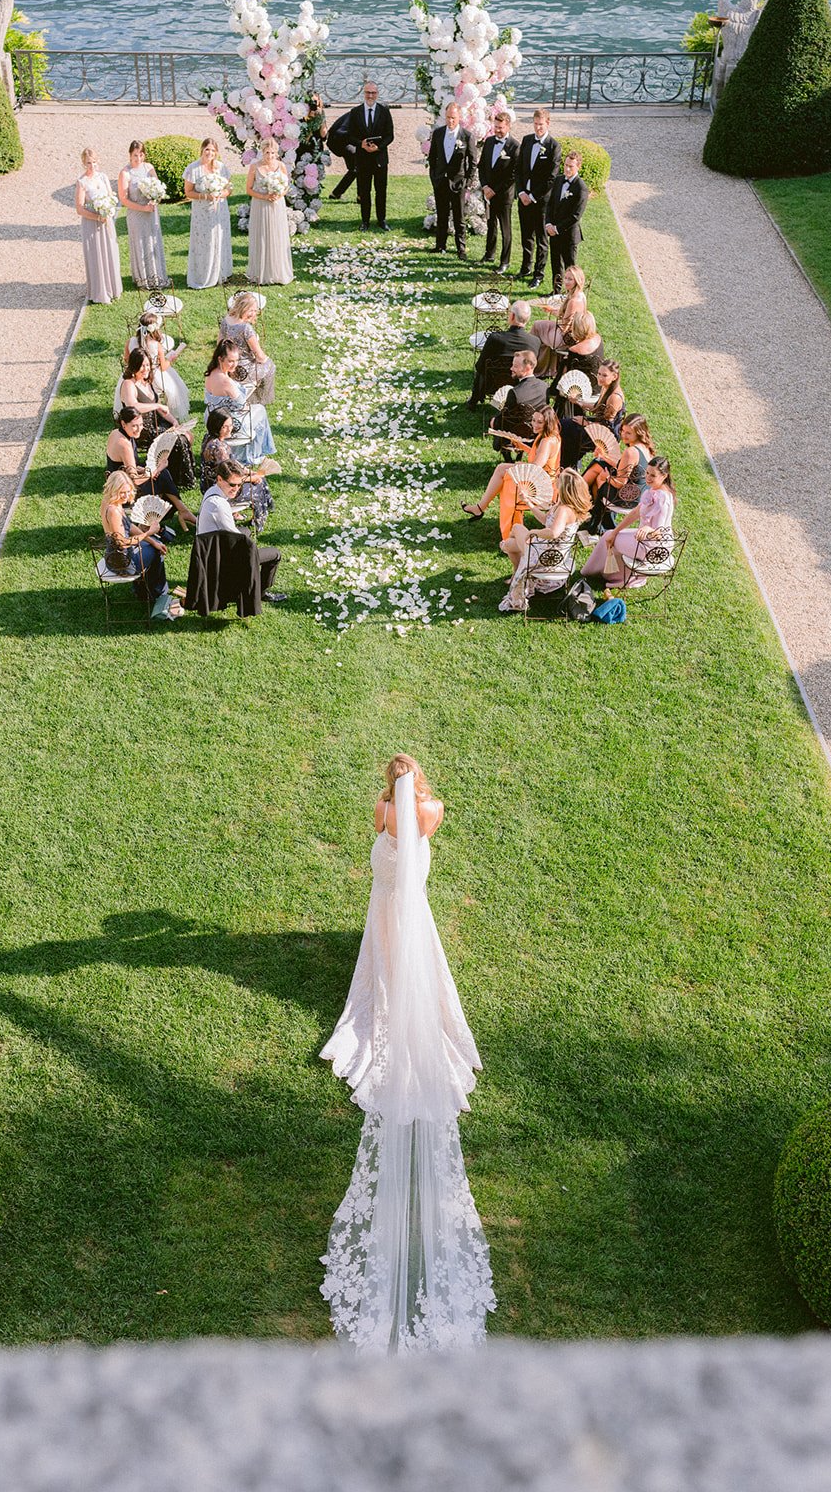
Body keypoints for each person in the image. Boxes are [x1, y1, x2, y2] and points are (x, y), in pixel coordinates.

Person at [320, 754, 494, 1354]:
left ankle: (383, 1017)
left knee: (386, 983)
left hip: (387, 909)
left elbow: (382, 838)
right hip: (410, 911)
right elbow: (419, 843)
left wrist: (389, 812)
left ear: (389, 784)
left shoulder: (383, 814)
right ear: (419, 781)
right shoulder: (434, 811)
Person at [461, 406, 561, 539]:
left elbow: (536, 467)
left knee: (508, 478)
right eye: (533, 420)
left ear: (548, 423)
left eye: (539, 422)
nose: (534, 425)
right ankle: (480, 508)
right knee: (502, 468)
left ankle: (510, 534)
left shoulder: (547, 441)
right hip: (542, 481)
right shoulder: (550, 436)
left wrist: (520, 464)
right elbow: (541, 458)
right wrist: (523, 447)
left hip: (543, 488)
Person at [500, 467, 593, 609]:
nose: (555, 480)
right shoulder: (561, 504)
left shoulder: (564, 510)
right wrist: (529, 502)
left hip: (546, 557)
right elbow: (545, 520)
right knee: (508, 544)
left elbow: (554, 532)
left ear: (564, 488)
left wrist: (534, 532)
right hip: (549, 551)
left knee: (517, 528)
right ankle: (517, 573)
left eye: (558, 479)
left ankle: (519, 574)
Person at [100, 470, 183, 621]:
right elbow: (122, 542)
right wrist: (148, 533)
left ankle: (145, 591)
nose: (125, 496)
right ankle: (159, 594)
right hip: (122, 563)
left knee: (155, 545)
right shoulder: (113, 511)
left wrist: (152, 540)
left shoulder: (109, 502)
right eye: (122, 492)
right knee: (156, 552)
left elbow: (129, 527)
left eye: (127, 492)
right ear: (113, 489)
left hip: (114, 556)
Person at [583, 457, 676, 587]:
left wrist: (649, 529)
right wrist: (615, 532)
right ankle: (613, 574)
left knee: (606, 537)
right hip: (646, 541)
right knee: (610, 534)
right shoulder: (657, 490)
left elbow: (661, 531)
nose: (648, 478)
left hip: (651, 549)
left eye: (653, 475)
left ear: (664, 476)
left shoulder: (662, 498)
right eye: (647, 473)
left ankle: (591, 572)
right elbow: (635, 513)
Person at [197, 463, 284, 601]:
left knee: (246, 531)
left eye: (239, 485)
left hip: (208, 546)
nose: (236, 489)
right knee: (275, 554)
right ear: (219, 479)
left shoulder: (212, 491)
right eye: (232, 485)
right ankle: (260, 592)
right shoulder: (219, 505)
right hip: (218, 556)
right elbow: (235, 539)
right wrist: (252, 550)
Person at [105, 406, 196, 532]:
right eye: (134, 426)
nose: (139, 429)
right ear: (123, 424)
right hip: (124, 491)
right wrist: (155, 470)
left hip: (117, 481)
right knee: (162, 476)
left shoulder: (116, 433)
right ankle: (182, 512)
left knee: (162, 475)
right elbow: (134, 481)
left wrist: (145, 470)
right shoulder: (124, 444)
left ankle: (183, 511)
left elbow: (123, 465)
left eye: (141, 424)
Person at [203, 339, 278, 466]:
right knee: (260, 410)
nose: (234, 364)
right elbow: (242, 405)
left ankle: (251, 452)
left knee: (258, 410)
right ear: (220, 359)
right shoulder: (225, 381)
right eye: (230, 361)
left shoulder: (211, 373)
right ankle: (254, 454)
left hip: (212, 417)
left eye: (237, 360)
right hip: (229, 423)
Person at [198, 410, 274, 534]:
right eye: (225, 427)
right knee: (259, 485)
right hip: (220, 487)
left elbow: (233, 464)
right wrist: (253, 478)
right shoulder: (219, 448)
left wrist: (249, 471)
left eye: (231, 425)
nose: (230, 429)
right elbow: (230, 477)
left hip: (210, 482)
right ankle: (257, 522)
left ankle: (236, 512)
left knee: (258, 476)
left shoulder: (210, 438)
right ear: (217, 426)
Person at [582, 414, 656, 535]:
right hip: (638, 496)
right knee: (599, 464)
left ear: (638, 433)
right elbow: (623, 467)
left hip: (625, 498)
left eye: (628, 433)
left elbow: (620, 483)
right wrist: (603, 456)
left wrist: (606, 478)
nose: (623, 435)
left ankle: (595, 522)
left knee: (599, 478)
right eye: (622, 430)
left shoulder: (631, 452)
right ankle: (596, 516)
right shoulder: (645, 448)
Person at [515, 109, 560, 288]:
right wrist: (521, 192)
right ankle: (525, 267)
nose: (538, 128)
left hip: (541, 202)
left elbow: (551, 178)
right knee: (526, 235)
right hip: (523, 197)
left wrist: (533, 196)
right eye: (535, 124)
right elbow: (518, 169)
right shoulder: (526, 140)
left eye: (541, 124)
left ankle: (538, 274)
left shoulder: (553, 146)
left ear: (547, 123)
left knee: (541, 239)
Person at [427, 102, 478, 259]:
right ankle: (440, 245)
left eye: (453, 118)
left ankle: (461, 248)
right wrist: (435, 177)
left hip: (458, 183)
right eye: (448, 118)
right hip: (441, 181)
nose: (450, 121)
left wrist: (467, 182)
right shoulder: (438, 134)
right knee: (441, 215)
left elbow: (473, 161)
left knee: (459, 217)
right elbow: (432, 158)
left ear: (459, 117)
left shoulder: (467, 136)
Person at [468, 299, 540, 407]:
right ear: (528, 319)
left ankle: (473, 400)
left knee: (481, 370)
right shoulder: (535, 341)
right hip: (519, 386)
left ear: (511, 316)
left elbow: (480, 366)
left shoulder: (495, 338)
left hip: (492, 385)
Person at [117, 140, 168, 288]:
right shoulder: (125, 173)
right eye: (135, 155)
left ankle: (157, 275)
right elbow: (124, 199)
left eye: (140, 155)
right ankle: (143, 279)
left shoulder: (149, 168)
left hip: (151, 212)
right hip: (136, 215)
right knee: (140, 244)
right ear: (130, 155)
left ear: (144, 155)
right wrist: (142, 208)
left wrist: (155, 200)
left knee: (153, 242)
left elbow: (158, 188)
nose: (138, 158)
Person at [183, 136, 233, 287]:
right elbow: (188, 192)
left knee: (220, 240)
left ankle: (221, 272)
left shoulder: (221, 167)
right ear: (202, 150)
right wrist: (206, 196)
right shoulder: (193, 169)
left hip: (220, 212)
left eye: (212, 150)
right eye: (207, 150)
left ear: (216, 152)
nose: (209, 153)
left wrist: (221, 194)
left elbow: (229, 188)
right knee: (204, 242)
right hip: (202, 213)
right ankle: (203, 274)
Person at [345, 81, 394, 231]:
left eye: (373, 93)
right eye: (368, 92)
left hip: (380, 159)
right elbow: (349, 135)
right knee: (364, 191)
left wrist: (378, 147)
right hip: (362, 159)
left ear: (377, 94)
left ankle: (382, 220)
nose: (370, 95)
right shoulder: (355, 112)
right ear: (364, 93)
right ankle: (364, 221)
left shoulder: (384, 111)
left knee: (381, 191)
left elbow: (390, 135)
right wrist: (361, 144)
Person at [74, 148, 122, 305]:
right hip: (91, 223)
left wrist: (108, 210)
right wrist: (96, 216)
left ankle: (113, 288)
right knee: (96, 255)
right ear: (83, 163)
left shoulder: (103, 177)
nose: (92, 166)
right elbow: (80, 208)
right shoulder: (82, 182)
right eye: (88, 163)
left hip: (106, 220)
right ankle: (99, 291)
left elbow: (110, 196)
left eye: (94, 162)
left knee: (109, 252)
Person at [123, 313, 190, 421]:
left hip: (134, 373)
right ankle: (170, 414)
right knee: (174, 389)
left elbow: (126, 359)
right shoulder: (156, 344)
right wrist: (171, 358)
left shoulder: (130, 341)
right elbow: (163, 367)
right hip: (153, 375)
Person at [246, 137, 294, 285]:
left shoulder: (281, 166)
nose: (270, 156)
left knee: (276, 235)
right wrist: (264, 196)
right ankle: (261, 273)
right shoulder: (255, 167)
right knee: (261, 236)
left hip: (277, 206)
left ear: (277, 153)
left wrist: (279, 194)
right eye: (267, 152)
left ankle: (277, 272)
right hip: (260, 205)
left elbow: (286, 186)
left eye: (273, 153)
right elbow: (248, 189)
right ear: (262, 152)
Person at [478, 110, 519, 273]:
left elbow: (512, 176)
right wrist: (485, 186)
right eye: (495, 127)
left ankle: (505, 261)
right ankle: (489, 254)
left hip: (503, 195)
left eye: (501, 127)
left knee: (505, 229)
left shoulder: (515, 147)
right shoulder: (488, 142)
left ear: (508, 126)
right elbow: (481, 166)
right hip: (488, 192)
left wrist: (494, 190)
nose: (497, 130)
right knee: (490, 225)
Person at [487, 349, 548, 459]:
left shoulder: (515, 392)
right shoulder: (544, 387)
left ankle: (508, 459)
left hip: (516, 434)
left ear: (527, 368)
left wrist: (493, 421)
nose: (511, 368)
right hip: (535, 433)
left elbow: (505, 419)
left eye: (515, 366)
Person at [219, 291, 276, 405]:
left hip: (228, 365)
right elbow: (259, 355)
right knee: (270, 367)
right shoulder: (245, 328)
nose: (255, 313)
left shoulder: (226, 319)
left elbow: (219, 342)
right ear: (244, 309)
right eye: (252, 310)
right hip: (243, 370)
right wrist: (265, 360)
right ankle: (259, 399)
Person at [543, 150, 589, 290]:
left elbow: (576, 215)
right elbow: (550, 204)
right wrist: (549, 223)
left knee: (570, 268)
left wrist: (557, 229)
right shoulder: (558, 180)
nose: (568, 169)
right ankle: (556, 292)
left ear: (578, 167)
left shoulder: (581, 188)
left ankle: (571, 295)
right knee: (556, 263)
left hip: (569, 235)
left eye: (571, 166)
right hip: (554, 232)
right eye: (566, 165)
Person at [551, 309, 604, 393]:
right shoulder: (598, 338)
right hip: (597, 385)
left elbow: (568, 374)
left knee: (564, 364)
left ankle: (553, 392)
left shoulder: (575, 350)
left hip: (580, 390)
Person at [325, 106, 356, 201]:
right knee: (357, 168)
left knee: (356, 169)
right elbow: (340, 133)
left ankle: (336, 193)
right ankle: (360, 197)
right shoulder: (356, 114)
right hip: (337, 142)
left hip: (341, 141)